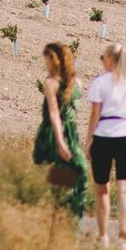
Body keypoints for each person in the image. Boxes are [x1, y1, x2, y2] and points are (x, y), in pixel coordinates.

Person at [85, 42, 126, 250]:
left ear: (111, 60)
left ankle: (103, 234)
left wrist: (88, 140)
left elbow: (94, 114)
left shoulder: (100, 83)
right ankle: (123, 236)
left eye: (102, 58)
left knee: (102, 188)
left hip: (103, 135)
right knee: (125, 189)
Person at [33, 41, 90, 218]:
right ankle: (58, 216)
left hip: (56, 133)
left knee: (74, 172)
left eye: (47, 59)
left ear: (54, 59)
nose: (46, 63)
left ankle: (67, 216)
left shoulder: (53, 83)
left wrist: (59, 140)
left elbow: (54, 114)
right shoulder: (76, 83)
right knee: (60, 175)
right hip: (65, 132)